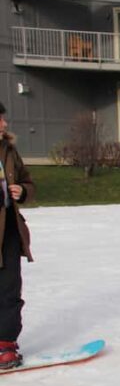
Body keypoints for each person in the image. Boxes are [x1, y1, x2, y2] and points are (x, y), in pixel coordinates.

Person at [0, 101, 35, 370]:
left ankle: (6, 346)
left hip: (9, 232)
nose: (4, 124)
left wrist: (22, 191)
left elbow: (27, 181)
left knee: (11, 290)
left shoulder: (9, 151)